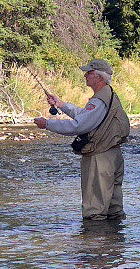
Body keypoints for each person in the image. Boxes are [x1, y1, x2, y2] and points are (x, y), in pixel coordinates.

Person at [34, 58, 130, 220]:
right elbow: (87, 116)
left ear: (99, 77)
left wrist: (47, 124)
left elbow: (78, 126)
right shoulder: (108, 95)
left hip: (100, 157)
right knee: (114, 210)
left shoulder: (99, 100)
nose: (85, 76)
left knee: (94, 212)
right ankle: (115, 243)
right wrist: (61, 104)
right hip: (113, 154)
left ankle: (94, 244)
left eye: (89, 73)